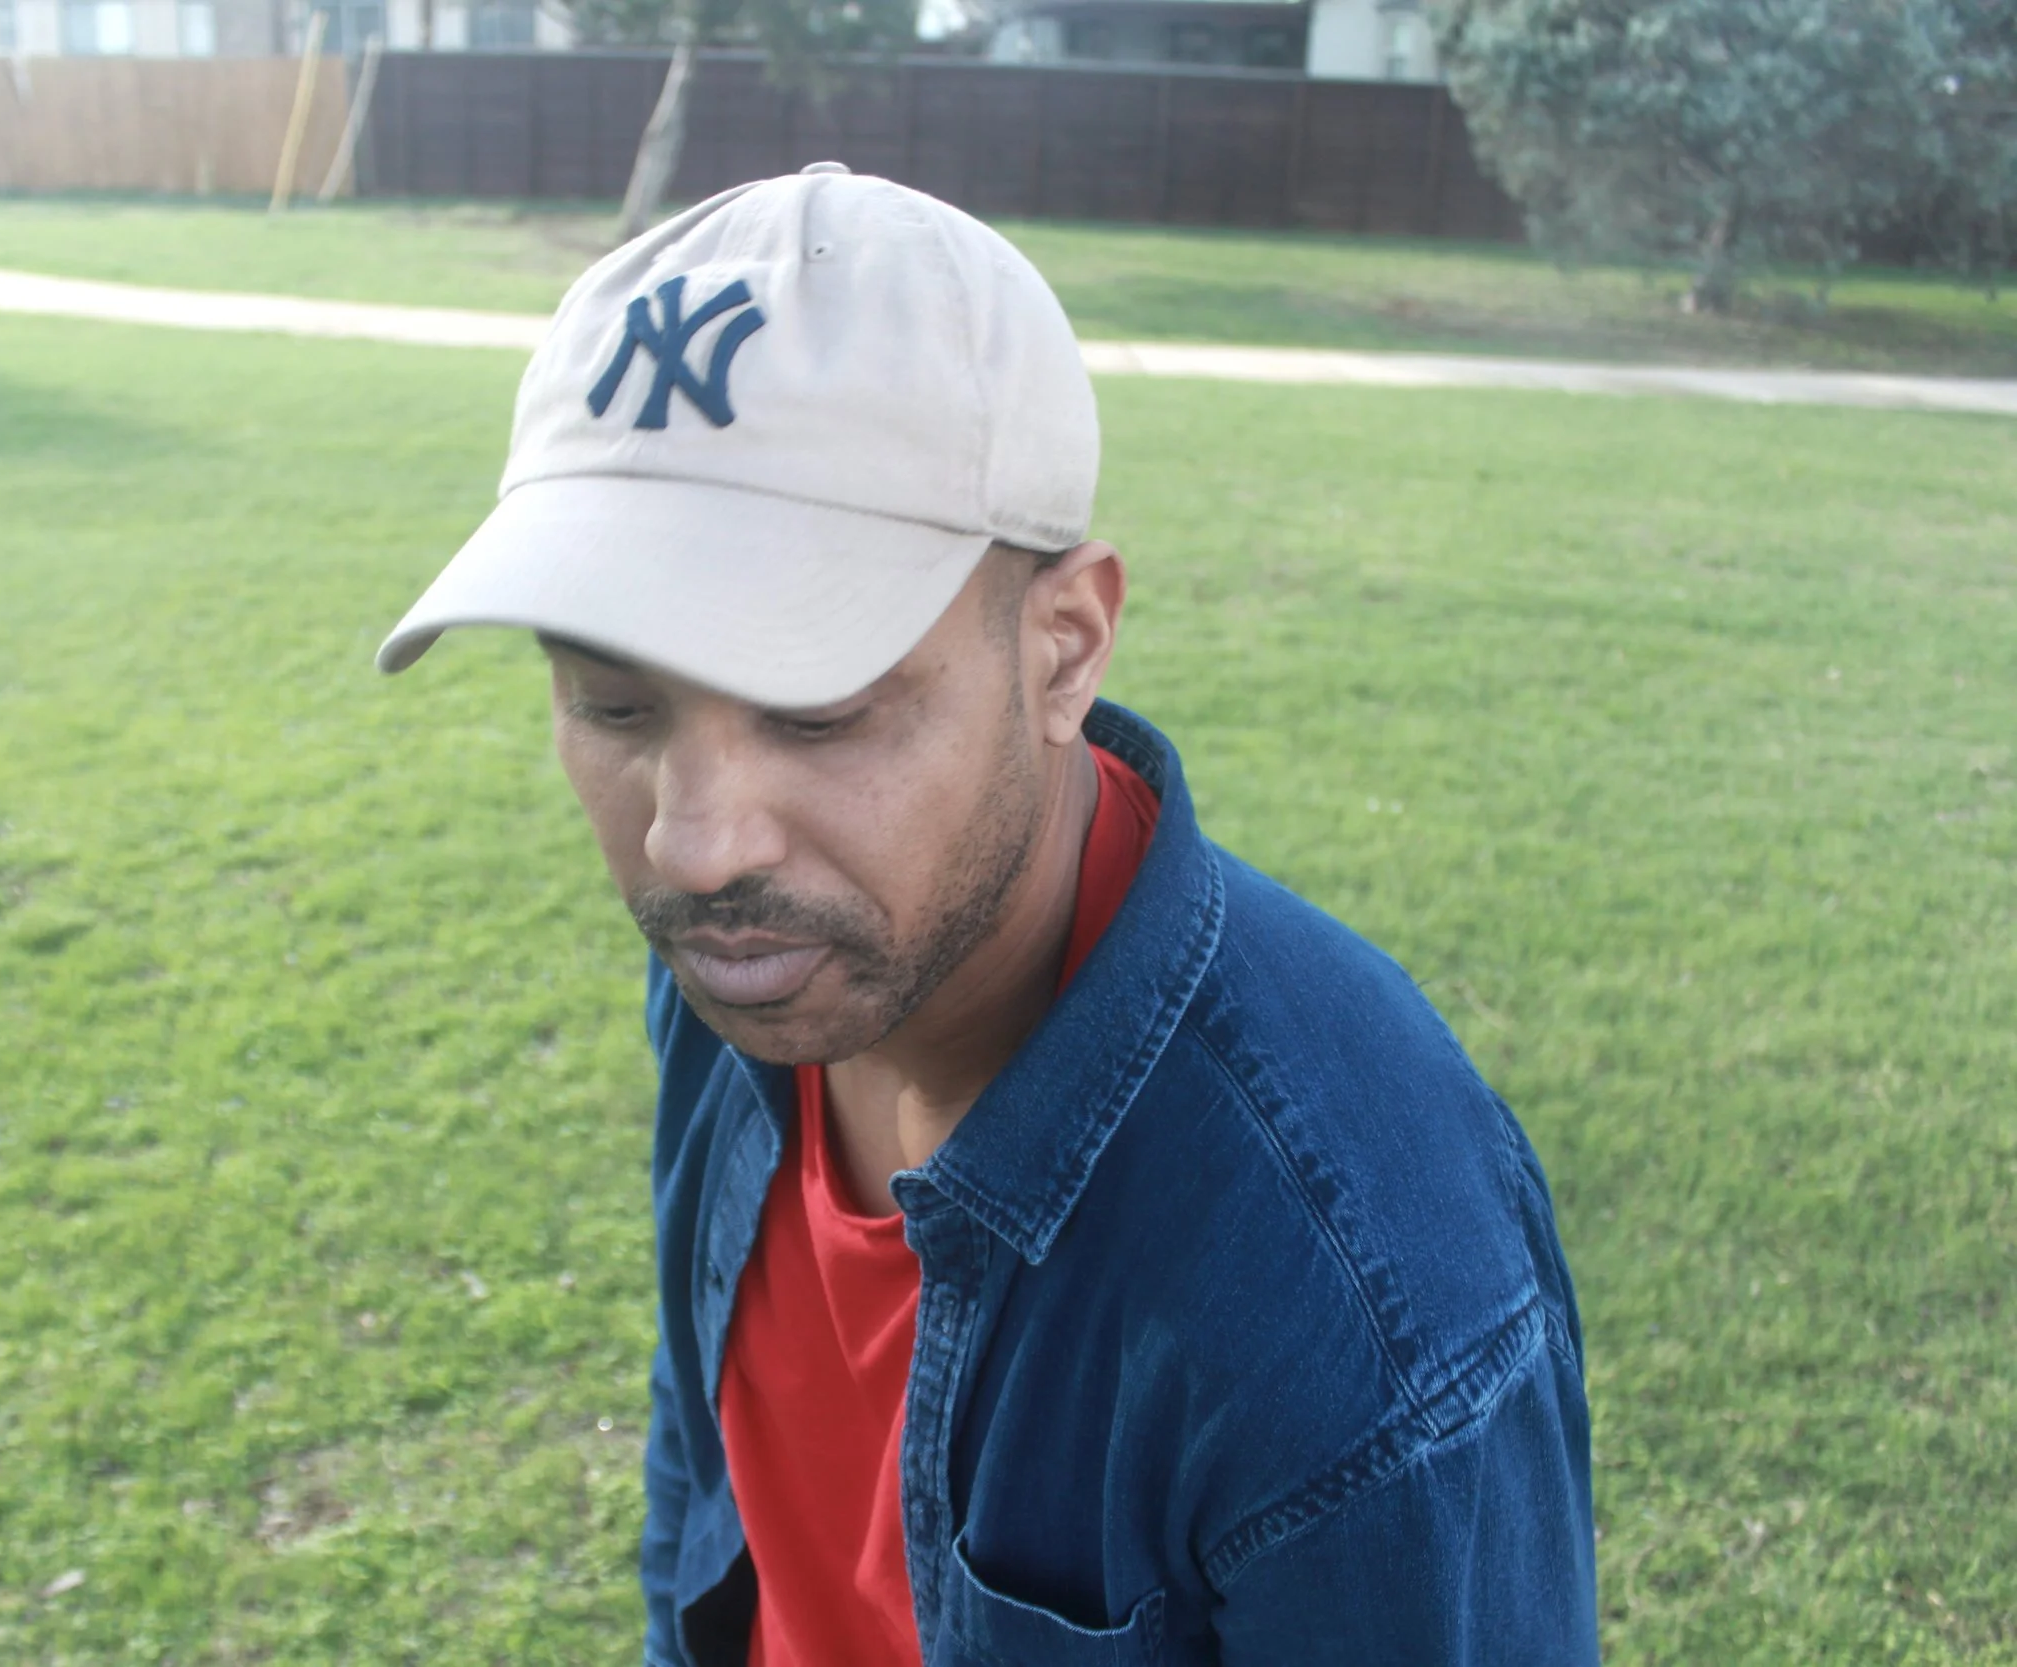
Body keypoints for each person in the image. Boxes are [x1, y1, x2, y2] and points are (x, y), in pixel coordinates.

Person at [376, 164, 1598, 1667]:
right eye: (612, 701)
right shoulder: (762, 977)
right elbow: (708, 1486)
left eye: (818, 713)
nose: (693, 846)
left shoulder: (1355, 1288)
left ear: (1064, 647)